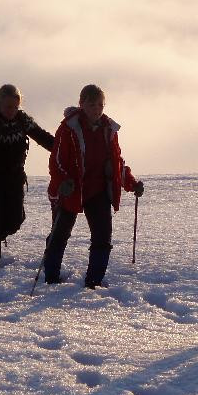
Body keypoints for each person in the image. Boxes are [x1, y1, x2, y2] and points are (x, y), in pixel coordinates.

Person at [43, 84, 143, 288]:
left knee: (102, 236)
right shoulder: (68, 128)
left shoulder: (109, 129)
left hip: (98, 190)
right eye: (92, 104)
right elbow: (57, 160)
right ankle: (51, 277)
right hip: (72, 190)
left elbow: (116, 162)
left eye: (100, 105)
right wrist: (63, 182)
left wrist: (131, 183)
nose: (97, 109)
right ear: (81, 104)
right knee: (59, 234)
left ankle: (94, 281)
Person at [0, 84, 54, 265]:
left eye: (15, 107)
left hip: (14, 179)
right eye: (8, 107)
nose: (12, 111)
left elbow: (43, 137)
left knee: (16, 220)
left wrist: (63, 148)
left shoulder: (23, 120)